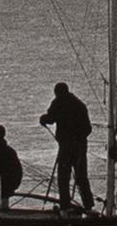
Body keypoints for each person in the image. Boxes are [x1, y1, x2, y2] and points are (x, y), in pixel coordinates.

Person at [39, 81, 95, 210]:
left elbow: (50, 118)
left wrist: (43, 119)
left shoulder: (58, 103)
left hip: (66, 146)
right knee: (81, 176)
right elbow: (88, 128)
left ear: (57, 92)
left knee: (63, 176)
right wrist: (79, 138)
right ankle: (88, 205)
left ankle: (65, 205)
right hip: (80, 146)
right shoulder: (79, 105)